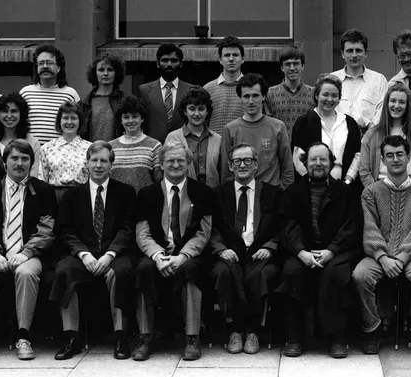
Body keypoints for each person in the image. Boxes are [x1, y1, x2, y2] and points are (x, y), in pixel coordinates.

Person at [49, 141, 138, 360]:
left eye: (104, 161)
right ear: (86, 163)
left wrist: (110, 255)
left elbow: (128, 228)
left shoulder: (125, 192)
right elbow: (65, 230)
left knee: (122, 272)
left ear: (111, 165)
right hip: (82, 255)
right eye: (94, 160)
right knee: (64, 272)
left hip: (113, 254)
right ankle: (72, 337)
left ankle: (120, 336)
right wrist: (84, 254)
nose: (98, 165)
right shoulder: (72, 195)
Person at [353, 135, 411, 356]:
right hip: (378, 255)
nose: (395, 159)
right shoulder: (371, 191)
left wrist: (401, 258)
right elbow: (370, 229)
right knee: (360, 275)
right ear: (382, 160)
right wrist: (382, 257)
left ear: (409, 157)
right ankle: (372, 329)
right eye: (389, 155)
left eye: (400, 154)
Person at [0, 140, 57, 361]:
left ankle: (23, 337)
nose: (19, 163)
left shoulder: (43, 191)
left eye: (25, 159)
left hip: (31, 255)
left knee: (26, 273)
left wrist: (26, 253)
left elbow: (46, 230)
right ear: (4, 161)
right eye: (14, 158)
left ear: (31, 162)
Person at [277, 142, 362, 358]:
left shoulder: (345, 192)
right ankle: (295, 337)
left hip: (336, 252)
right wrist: (301, 252)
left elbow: (352, 225)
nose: (317, 164)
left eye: (323, 159)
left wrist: (331, 250)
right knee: (293, 272)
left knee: (335, 273)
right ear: (305, 163)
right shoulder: (293, 192)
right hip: (302, 252)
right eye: (313, 159)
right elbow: (286, 226)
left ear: (331, 163)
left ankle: (336, 337)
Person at [131, 141, 214, 361]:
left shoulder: (203, 192)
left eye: (180, 160)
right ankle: (145, 336)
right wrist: (158, 256)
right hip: (157, 253)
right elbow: (143, 233)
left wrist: (182, 256)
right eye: (170, 161)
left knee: (191, 270)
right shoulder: (147, 194)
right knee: (144, 269)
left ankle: (192, 337)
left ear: (189, 163)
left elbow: (203, 233)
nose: (176, 164)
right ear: (161, 164)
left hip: (189, 254)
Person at [209, 143, 282, 356]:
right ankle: (233, 330)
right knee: (222, 272)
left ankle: (252, 331)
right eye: (236, 161)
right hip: (229, 252)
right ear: (230, 166)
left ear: (256, 165)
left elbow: (282, 226)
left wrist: (270, 247)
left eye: (247, 160)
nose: (242, 165)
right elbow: (210, 228)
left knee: (261, 273)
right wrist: (220, 249)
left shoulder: (272, 192)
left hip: (260, 252)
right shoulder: (218, 194)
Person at [220, 73, 294, 189]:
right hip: (242, 195)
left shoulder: (278, 127)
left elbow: (287, 168)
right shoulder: (229, 129)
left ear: (264, 96)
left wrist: (283, 194)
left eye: (255, 95)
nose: (250, 101)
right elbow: (226, 172)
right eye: (246, 96)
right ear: (240, 98)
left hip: (271, 195)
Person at [291, 74, 362, 183]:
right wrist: (311, 181)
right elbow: (298, 157)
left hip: (345, 187)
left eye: (334, 95)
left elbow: (357, 155)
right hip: (312, 186)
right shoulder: (304, 122)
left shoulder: (349, 123)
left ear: (339, 98)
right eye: (325, 94)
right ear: (316, 96)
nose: (329, 99)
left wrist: (348, 180)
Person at [359, 83, 411, 188]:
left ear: (408, 106)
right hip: (379, 189)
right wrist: (375, 193)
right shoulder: (372, 134)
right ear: (387, 103)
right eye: (393, 101)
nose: (396, 106)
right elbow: (364, 170)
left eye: (402, 102)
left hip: (410, 190)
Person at [0, 92, 41, 194]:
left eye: (14, 111)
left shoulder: (32, 142)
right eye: (4, 111)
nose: (9, 115)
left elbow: (34, 175)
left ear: (22, 114)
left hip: (24, 199)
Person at [20, 44, 81, 146]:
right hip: (29, 153)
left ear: (59, 67)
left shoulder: (71, 94)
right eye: (41, 63)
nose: (45, 66)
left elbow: (78, 127)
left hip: (59, 154)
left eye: (49, 63)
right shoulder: (25, 93)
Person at [331, 29, 388, 132]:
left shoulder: (379, 80)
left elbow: (382, 114)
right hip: (337, 138)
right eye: (349, 51)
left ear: (365, 53)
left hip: (369, 138)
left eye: (358, 50)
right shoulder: (331, 80)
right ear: (342, 53)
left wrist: (368, 137)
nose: (354, 55)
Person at [165, 86, 223, 188]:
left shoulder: (217, 139)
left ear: (207, 111)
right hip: (184, 195)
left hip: (213, 195)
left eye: (201, 109)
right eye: (192, 109)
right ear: (185, 111)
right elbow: (167, 171)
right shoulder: (173, 137)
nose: (196, 114)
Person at [137, 44, 193, 143]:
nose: (169, 64)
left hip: (183, 148)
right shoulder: (144, 90)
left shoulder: (191, 90)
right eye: (165, 60)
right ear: (158, 63)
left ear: (181, 63)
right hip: (153, 149)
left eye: (174, 60)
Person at [37, 101, 92, 201]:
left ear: (80, 121)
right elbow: (42, 180)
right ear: (59, 121)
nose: (69, 122)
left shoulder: (90, 148)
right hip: (54, 198)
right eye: (65, 118)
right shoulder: (47, 148)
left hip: (81, 197)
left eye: (74, 118)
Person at [108, 96, 164, 193]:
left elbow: (159, 180)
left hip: (145, 203)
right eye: (126, 117)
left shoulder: (154, 146)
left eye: (135, 116)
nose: (130, 121)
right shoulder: (110, 147)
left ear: (142, 118)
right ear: (120, 120)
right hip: (116, 204)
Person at [266, 45, 316, 136]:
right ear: (281, 67)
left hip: (306, 149)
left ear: (302, 66)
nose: (292, 68)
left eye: (296, 63)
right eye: (288, 64)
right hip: (279, 148)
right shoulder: (270, 94)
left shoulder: (314, 93)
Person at [80, 55, 126, 142]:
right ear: (95, 73)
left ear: (116, 73)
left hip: (117, 152)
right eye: (101, 70)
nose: (105, 73)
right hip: (91, 152)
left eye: (110, 70)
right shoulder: (84, 103)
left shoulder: (124, 100)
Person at [205, 36, 246, 133]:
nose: (231, 59)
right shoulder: (207, 89)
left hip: (244, 145)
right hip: (215, 146)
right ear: (220, 60)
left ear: (243, 59)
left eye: (235, 55)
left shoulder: (251, 88)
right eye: (227, 55)